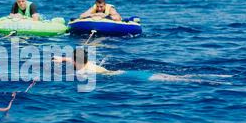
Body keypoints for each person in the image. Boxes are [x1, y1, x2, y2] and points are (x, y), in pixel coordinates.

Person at [53, 48, 207, 82]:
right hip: (121, 72)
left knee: (167, 80)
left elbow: (77, 73)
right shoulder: (89, 63)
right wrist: (62, 59)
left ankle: (195, 80)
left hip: (125, 76)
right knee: (172, 77)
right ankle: (192, 78)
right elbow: (76, 61)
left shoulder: (81, 72)